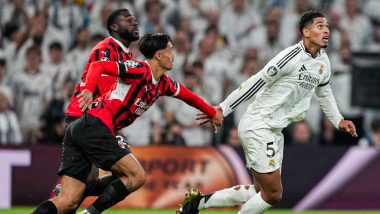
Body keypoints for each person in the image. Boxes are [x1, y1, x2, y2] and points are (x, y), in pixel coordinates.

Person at [178, 10, 358, 214]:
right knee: (273, 195)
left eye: (327, 26)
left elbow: (324, 92)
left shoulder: (323, 62)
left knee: (260, 190)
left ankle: (196, 203)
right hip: (259, 125)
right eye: (320, 26)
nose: (326, 30)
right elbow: (256, 81)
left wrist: (338, 120)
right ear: (305, 32)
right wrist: (223, 108)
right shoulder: (289, 57)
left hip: (274, 130)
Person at [32, 33, 223, 214]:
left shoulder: (164, 83)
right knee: (136, 176)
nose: (174, 54)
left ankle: (81, 193)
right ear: (159, 55)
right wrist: (89, 90)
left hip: (84, 129)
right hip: (95, 125)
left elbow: (188, 96)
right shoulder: (138, 69)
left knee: (68, 201)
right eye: (170, 50)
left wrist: (212, 112)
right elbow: (97, 66)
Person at [52, 7, 139, 206]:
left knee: (86, 184)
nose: (134, 22)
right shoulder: (106, 48)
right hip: (88, 117)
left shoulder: (126, 55)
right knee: (132, 174)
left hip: (89, 118)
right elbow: (105, 87)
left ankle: (66, 192)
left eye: (134, 19)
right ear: (115, 27)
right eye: (128, 19)